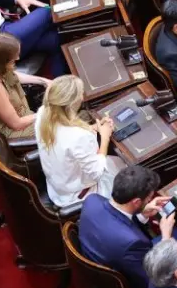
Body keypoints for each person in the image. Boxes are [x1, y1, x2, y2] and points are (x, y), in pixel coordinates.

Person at [79, 164, 177, 288]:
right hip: (139, 285)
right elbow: (154, 280)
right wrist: (166, 237)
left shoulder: (92, 201)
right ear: (136, 201)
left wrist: (142, 214)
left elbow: (118, 220)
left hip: (109, 255)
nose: (150, 200)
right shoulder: (131, 243)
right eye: (148, 198)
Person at [35, 75, 124, 208]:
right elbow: (96, 174)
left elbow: (65, 134)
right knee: (126, 171)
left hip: (58, 185)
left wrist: (93, 128)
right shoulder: (79, 136)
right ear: (76, 101)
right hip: (77, 194)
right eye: (81, 93)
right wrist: (104, 137)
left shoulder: (43, 112)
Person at [0, 32, 50, 141]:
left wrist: (43, 81)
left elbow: (14, 76)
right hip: (15, 133)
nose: (18, 57)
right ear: (1, 61)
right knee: (66, 125)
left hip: (27, 117)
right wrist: (47, 111)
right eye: (14, 56)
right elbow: (17, 124)